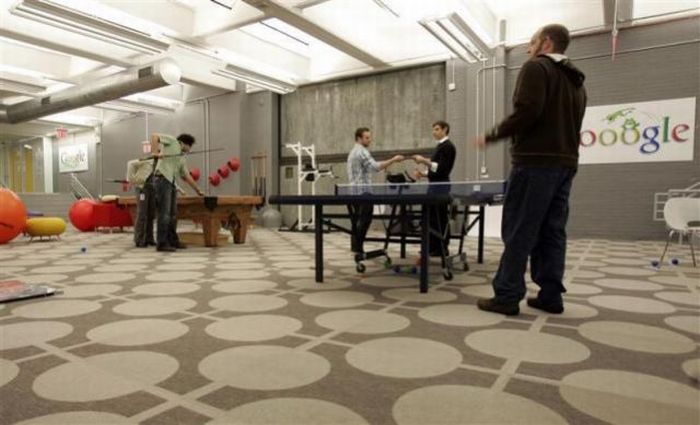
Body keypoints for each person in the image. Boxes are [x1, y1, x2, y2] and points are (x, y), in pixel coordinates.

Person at [473, 24, 587, 315]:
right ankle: (550, 295)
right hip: (566, 164)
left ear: (546, 43)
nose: (528, 49)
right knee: (552, 232)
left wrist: (492, 134)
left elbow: (527, 111)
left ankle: (507, 295)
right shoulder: (576, 81)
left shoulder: (536, 67)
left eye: (532, 42)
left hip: (535, 163)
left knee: (519, 229)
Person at [346, 127, 404, 256]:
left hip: (354, 192)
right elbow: (375, 167)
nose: (370, 140)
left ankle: (356, 247)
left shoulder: (352, 152)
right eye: (367, 137)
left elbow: (367, 168)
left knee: (357, 221)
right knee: (364, 220)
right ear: (359, 138)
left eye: (370, 137)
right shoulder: (362, 152)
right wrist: (393, 160)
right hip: (363, 193)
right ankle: (358, 249)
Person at [151, 133, 204, 252]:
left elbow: (186, 175)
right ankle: (162, 243)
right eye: (190, 147)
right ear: (185, 144)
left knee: (173, 214)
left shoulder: (182, 157)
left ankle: (172, 240)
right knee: (164, 214)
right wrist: (155, 152)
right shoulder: (172, 141)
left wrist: (197, 190)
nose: (190, 150)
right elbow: (154, 136)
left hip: (171, 182)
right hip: (162, 179)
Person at [412, 120, 456, 257]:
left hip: (441, 187)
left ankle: (441, 247)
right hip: (434, 186)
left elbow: (442, 168)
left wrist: (424, 160)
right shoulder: (440, 146)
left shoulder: (448, 147)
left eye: (437, 129)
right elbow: (435, 169)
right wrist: (424, 174)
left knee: (439, 218)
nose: (434, 132)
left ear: (445, 129)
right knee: (431, 217)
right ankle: (431, 246)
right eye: (433, 129)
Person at [126, 157, 156, 248]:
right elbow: (130, 163)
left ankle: (149, 238)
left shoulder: (160, 165)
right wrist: (132, 179)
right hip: (142, 188)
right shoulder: (147, 161)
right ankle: (139, 239)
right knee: (142, 213)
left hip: (152, 189)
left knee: (151, 214)